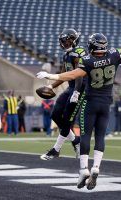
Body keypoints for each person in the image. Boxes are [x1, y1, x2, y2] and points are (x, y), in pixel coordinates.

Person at [37, 13, 121, 190]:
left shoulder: (87, 60)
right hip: (106, 102)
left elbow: (74, 75)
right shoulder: (114, 56)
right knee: (100, 136)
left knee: (85, 135)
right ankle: (96, 167)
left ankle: (83, 168)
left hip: (89, 99)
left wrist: (51, 75)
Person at [39, 28, 87, 160]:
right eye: (62, 41)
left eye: (65, 40)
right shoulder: (66, 55)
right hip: (70, 87)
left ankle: (56, 149)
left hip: (80, 89)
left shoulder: (78, 53)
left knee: (67, 120)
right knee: (55, 114)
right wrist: (51, 85)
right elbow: (63, 75)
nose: (63, 43)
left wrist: (76, 92)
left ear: (73, 40)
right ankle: (76, 141)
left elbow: (79, 75)